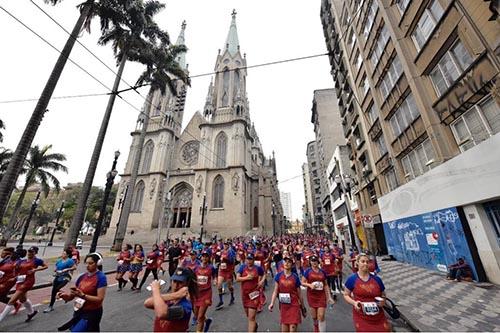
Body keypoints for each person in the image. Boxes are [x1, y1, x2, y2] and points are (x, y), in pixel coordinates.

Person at [57, 252, 107, 332]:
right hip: (79, 311)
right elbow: (71, 296)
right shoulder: (82, 277)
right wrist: (63, 296)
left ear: (98, 263)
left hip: (92, 312)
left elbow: (100, 299)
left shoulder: (101, 277)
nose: (87, 265)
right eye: (86, 263)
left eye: (91, 263)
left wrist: (83, 295)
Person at [343, 253, 390, 332]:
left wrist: (383, 301)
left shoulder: (377, 279)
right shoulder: (352, 279)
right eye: (363, 261)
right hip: (362, 317)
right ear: (357, 263)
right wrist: (354, 303)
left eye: (367, 262)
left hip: (378, 317)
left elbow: (383, 294)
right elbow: (346, 295)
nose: (365, 264)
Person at [0, 246, 47, 323]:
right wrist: (14, 277)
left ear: (35, 253)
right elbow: (17, 271)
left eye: (32, 252)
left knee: (11, 301)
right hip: (20, 281)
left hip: (28, 281)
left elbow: (46, 266)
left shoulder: (37, 261)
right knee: (23, 299)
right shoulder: (23, 261)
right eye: (29, 251)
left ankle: (1, 318)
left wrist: (35, 269)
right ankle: (31, 312)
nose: (29, 253)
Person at [144, 267, 197, 332]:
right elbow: (147, 303)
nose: (176, 285)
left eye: (180, 282)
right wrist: (175, 295)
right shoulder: (170, 299)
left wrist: (155, 289)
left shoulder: (185, 306)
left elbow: (161, 313)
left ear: (187, 284)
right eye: (174, 281)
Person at [268, 256, 303, 332]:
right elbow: (275, 290)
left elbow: (299, 294)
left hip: (294, 305)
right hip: (284, 306)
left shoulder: (295, 277)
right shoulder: (278, 276)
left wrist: (303, 308)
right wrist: (272, 303)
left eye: (289, 262)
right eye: (285, 261)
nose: (287, 263)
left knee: (292, 329)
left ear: (292, 265)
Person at [301, 256, 334, 332]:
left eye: (315, 260)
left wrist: (329, 297)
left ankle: (322, 331)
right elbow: (302, 282)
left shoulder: (322, 272)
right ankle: (316, 328)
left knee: (321, 315)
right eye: (312, 261)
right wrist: (309, 285)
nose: (314, 262)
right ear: (310, 262)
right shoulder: (307, 271)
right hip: (311, 296)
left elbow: (325, 285)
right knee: (314, 316)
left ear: (318, 261)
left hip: (321, 296)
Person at [236, 253, 265, 332]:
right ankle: (255, 325)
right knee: (248, 316)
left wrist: (261, 281)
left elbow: (264, 274)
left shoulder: (258, 268)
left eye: (250, 259)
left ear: (253, 260)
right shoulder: (242, 267)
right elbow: (237, 279)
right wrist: (246, 278)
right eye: (247, 259)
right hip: (245, 295)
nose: (249, 261)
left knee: (251, 317)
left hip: (254, 294)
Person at [44, 249, 77, 313]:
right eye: (62, 253)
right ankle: (51, 306)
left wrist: (67, 269)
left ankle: (60, 296)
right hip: (58, 276)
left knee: (57, 288)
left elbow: (74, 267)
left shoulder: (70, 261)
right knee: (54, 290)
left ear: (67, 255)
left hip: (66, 277)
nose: (62, 254)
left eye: (64, 254)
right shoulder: (59, 261)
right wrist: (56, 271)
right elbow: (56, 268)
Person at [193, 251, 217, 332]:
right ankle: (207, 320)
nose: (204, 258)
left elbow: (214, 275)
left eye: (206, 256)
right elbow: (192, 278)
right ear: (201, 257)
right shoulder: (196, 267)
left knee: (200, 317)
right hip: (197, 293)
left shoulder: (211, 267)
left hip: (206, 294)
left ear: (209, 258)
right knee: (196, 315)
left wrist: (214, 280)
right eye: (203, 256)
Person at [215, 241, 236, 310]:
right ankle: (221, 301)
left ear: (228, 245)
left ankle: (232, 297)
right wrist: (218, 262)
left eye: (226, 245)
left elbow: (232, 261)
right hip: (222, 270)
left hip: (228, 271)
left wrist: (225, 259)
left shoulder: (230, 252)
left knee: (229, 286)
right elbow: (219, 259)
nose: (225, 246)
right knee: (219, 284)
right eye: (224, 244)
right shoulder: (221, 251)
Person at [0, 247, 21, 313]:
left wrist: (15, 278)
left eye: (3, 253)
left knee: (1, 296)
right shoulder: (6, 259)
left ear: (9, 253)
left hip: (8, 281)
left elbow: (21, 271)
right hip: (2, 278)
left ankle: (15, 303)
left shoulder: (16, 261)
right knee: (1, 297)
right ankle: (15, 303)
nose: (1, 254)